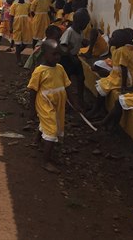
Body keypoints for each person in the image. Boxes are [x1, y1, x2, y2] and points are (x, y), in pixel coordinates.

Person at [28, 39, 81, 174]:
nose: (57, 57)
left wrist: (75, 103)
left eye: (59, 54)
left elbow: (68, 86)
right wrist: (32, 109)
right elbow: (32, 91)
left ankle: (37, 139)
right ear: (44, 54)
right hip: (45, 103)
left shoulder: (60, 68)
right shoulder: (39, 71)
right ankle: (46, 161)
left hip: (58, 103)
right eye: (54, 54)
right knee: (52, 129)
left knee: (51, 122)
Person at [87, 30, 133, 119]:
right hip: (118, 75)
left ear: (121, 41)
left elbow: (124, 69)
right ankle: (100, 109)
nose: (111, 39)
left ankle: (96, 110)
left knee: (103, 86)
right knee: (102, 83)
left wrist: (123, 86)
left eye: (114, 37)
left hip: (129, 78)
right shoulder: (115, 49)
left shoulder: (122, 51)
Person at [59, 8, 90, 105]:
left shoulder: (80, 31)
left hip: (74, 57)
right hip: (66, 58)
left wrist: (84, 42)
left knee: (81, 78)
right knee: (66, 80)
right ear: (77, 22)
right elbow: (63, 45)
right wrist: (70, 55)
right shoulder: (70, 31)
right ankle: (65, 100)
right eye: (84, 24)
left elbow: (78, 42)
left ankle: (80, 99)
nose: (85, 27)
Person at [10, 0, 33, 66]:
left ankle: (18, 52)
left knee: (26, 42)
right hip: (17, 26)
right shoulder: (14, 5)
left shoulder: (28, 5)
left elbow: (30, 14)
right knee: (17, 43)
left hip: (26, 26)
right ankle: (18, 60)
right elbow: (11, 17)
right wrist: (11, 27)